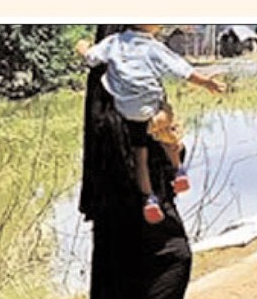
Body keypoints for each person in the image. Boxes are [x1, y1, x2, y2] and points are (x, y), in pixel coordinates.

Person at [66, 25, 194, 299]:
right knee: (171, 256)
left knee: (119, 268)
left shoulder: (115, 66)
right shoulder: (121, 71)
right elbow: (126, 136)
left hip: (119, 194)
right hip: (132, 193)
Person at [75, 25, 226, 224]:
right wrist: (206, 82)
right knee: (166, 133)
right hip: (152, 106)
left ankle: (148, 199)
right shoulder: (153, 46)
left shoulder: (113, 42)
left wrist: (83, 47)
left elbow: (92, 58)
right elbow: (182, 69)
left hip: (127, 112)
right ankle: (178, 168)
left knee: (140, 155)